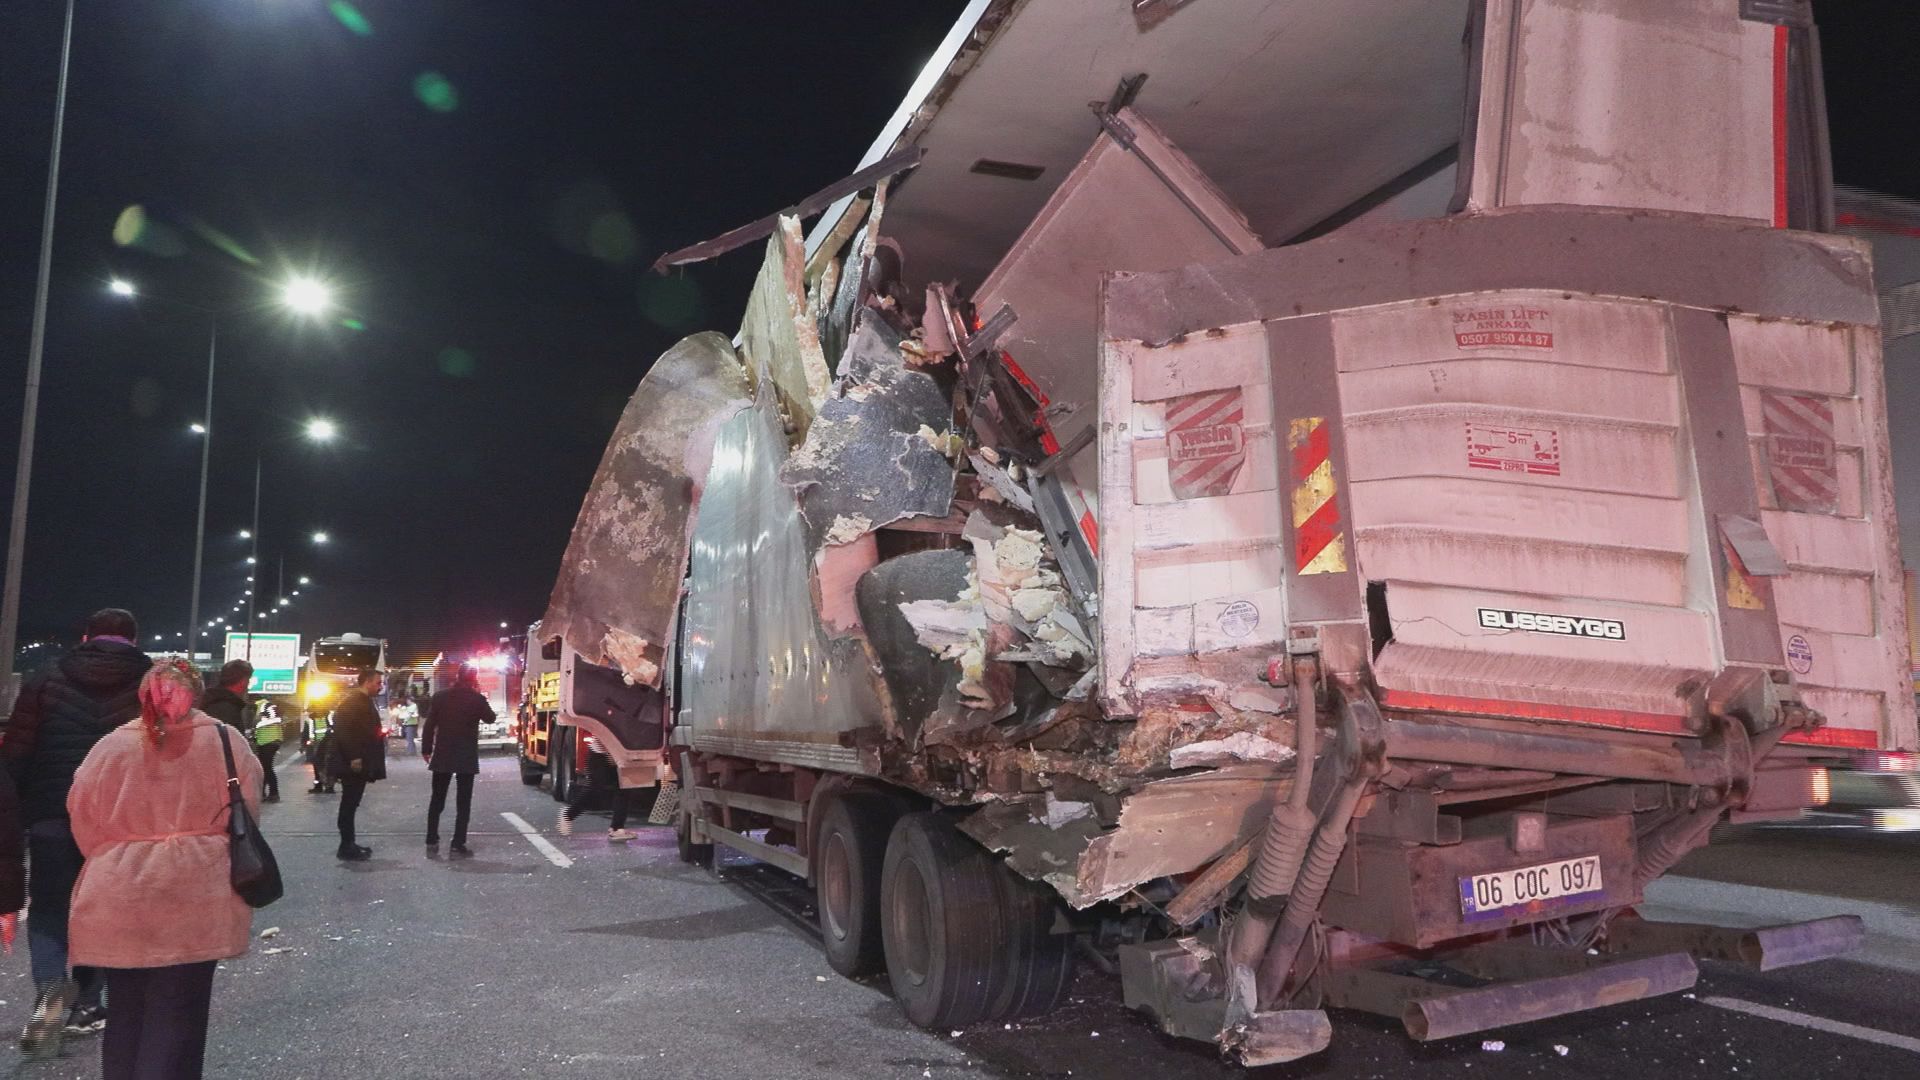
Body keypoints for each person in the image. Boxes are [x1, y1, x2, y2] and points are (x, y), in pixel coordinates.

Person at [68, 660, 262, 1079]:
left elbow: (82, 818)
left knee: (125, 1012)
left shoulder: (111, 746)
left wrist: (120, 854)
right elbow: (247, 816)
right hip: (196, 895)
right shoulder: (226, 742)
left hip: (119, 895)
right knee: (180, 1012)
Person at [1, 608, 151, 1055]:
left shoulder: (46, 677)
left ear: (86, 636)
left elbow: (16, 756)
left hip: (52, 814)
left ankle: (50, 987)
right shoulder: (151, 681)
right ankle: (88, 1001)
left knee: (49, 906)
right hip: (121, 820)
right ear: (134, 637)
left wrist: (23, 810)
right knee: (104, 908)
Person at [421, 666, 494, 856]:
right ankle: (457, 842)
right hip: (466, 756)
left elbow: (430, 724)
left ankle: (431, 839)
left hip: (443, 754)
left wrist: (426, 749)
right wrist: (478, 696)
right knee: (463, 802)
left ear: (457, 676)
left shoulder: (440, 697)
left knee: (437, 799)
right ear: (474, 678)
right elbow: (490, 718)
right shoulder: (477, 699)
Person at [327, 669, 386, 861]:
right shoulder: (353, 702)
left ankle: (349, 843)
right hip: (352, 764)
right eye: (378, 683)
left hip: (358, 761)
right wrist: (354, 757)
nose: (380, 686)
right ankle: (346, 846)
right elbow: (344, 730)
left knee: (351, 804)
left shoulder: (361, 701)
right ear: (367, 682)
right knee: (349, 804)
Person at [198, 662, 270, 803]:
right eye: (248, 680)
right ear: (243, 681)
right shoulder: (226, 708)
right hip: (219, 786)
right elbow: (229, 750)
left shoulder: (212, 702)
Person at [558, 735, 639, 843]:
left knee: (623, 788)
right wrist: (611, 753)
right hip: (601, 754)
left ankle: (617, 828)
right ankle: (568, 815)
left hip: (615, 755)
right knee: (595, 790)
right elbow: (605, 731)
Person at [251, 701, 284, 802]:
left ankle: (273, 793)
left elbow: (263, 721)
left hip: (267, 741)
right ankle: (264, 793)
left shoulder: (262, 706)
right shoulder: (267, 705)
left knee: (266, 767)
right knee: (265, 768)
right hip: (270, 741)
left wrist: (254, 729)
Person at [303, 707, 334, 795]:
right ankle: (319, 786)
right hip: (318, 744)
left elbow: (334, 728)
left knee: (327, 765)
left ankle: (328, 786)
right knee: (317, 766)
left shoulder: (329, 717)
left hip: (327, 744)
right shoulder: (310, 720)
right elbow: (307, 733)